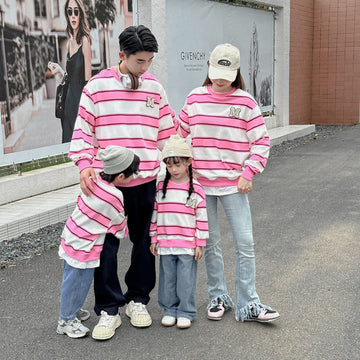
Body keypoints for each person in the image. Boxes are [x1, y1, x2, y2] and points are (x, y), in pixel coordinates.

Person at [68, 25, 176, 340]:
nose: (145, 68)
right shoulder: (96, 88)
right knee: (105, 246)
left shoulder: (155, 88)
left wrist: (176, 166)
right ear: (121, 56)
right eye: (139, 61)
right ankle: (108, 308)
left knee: (144, 242)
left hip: (144, 180)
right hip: (107, 184)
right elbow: (83, 131)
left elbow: (167, 133)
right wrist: (84, 164)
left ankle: (138, 300)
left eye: (149, 61)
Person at [177, 43, 280, 323]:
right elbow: (177, 134)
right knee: (211, 243)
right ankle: (218, 295)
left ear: (236, 72)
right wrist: (177, 169)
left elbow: (261, 141)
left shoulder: (245, 102)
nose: (220, 79)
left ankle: (249, 302)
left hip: (234, 184)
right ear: (208, 69)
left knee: (245, 243)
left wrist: (249, 172)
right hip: (201, 183)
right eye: (215, 72)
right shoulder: (195, 98)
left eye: (226, 73)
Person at [56, 145, 140, 339]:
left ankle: (71, 310)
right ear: (120, 176)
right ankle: (65, 320)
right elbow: (118, 224)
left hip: (72, 235)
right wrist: (122, 231)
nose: (134, 177)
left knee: (70, 279)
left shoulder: (94, 180)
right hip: (85, 246)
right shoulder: (114, 195)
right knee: (78, 281)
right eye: (132, 173)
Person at [149, 135, 208, 329]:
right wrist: (154, 238)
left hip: (187, 244)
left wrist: (200, 243)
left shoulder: (197, 189)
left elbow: (201, 217)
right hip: (166, 242)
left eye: (178, 165)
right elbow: (155, 214)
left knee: (186, 280)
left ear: (189, 162)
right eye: (169, 165)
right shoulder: (161, 187)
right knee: (167, 280)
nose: (173, 170)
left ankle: (186, 311)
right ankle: (169, 310)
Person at [48, 0, 92, 143]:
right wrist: (60, 69)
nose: (73, 16)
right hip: (67, 102)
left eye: (76, 11)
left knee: (81, 144)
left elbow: (88, 82)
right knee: (68, 142)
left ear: (80, 14)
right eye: (69, 12)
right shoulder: (68, 43)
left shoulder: (85, 41)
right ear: (67, 15)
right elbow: (70, 75)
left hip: (80, 103)